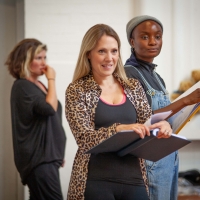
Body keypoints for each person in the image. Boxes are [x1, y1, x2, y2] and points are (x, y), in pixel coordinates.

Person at [65, 23, 172, 200]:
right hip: (95, 181)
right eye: (102, 51)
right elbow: (84, 140)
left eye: (114, 51)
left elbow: (145, 125)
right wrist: (117, 129)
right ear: (88, 54)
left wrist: (161, 125)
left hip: (135, 179)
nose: (109, 58)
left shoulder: (133, 86)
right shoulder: (78, 90)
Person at [124, 15, 200, 200]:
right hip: (151, 161)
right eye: (145, 37)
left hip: (168, 157)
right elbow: (143, 121)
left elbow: (166, 118)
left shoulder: (157, 76)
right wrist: (185, 101)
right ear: (132, 41)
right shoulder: (129, 74)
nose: (153, 42)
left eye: (157, 37)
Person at [5, 38, 66, 200]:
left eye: (44, 58)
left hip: (48, 158)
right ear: (25, 61)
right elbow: (49, 108)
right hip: (39, 160)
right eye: (38, 58)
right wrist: (52, 79)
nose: (43, 63)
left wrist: (57, 151)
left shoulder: (38, 86)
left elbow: (51, 121)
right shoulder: (22, 86)